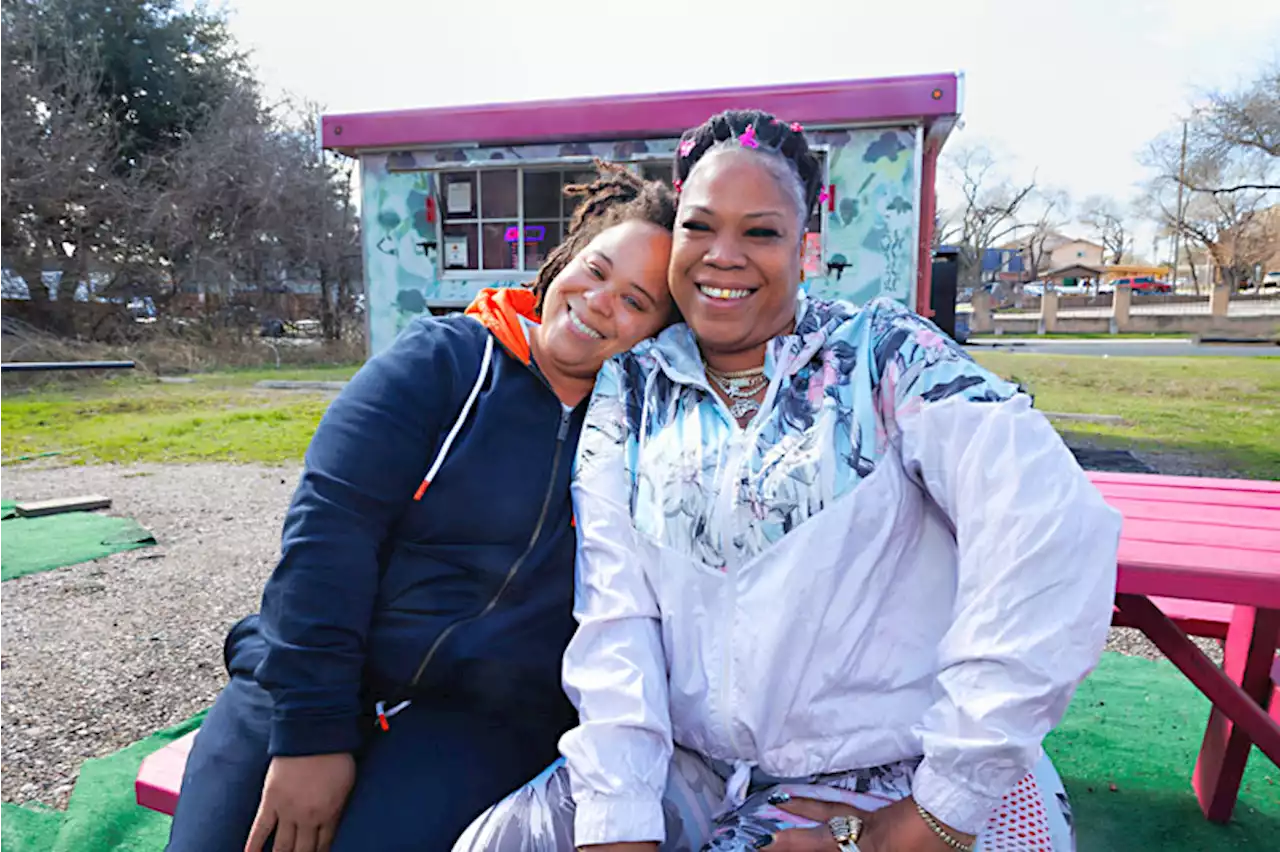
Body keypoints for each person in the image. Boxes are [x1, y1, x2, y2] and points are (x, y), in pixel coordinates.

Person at [452, 111, 1121, 852]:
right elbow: (618, 620)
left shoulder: (884, 356)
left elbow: (1050, 533)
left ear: (806, 249)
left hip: (892, 771)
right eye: (700, 227)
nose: (723, 256)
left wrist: (943, 804)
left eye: (760, 232)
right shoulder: (633, 389)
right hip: (693, 767)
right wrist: (620, 819)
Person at [165, 163, 678, 852]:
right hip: (309, 675)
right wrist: (311, 735)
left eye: (637, 301)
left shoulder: (638, 439)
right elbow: (328, 533)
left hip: (475, 719)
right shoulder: (445, 363)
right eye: (596, 268)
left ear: (657, 335)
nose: (599, 300)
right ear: (564, 260)